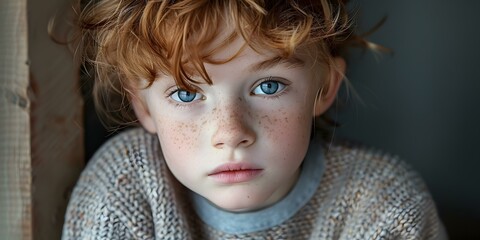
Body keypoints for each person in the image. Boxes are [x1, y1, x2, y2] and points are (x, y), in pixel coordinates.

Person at [62, 0, 447, 239]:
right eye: (186, 93)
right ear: (143, 107)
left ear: (325, 87)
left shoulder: (385, 206)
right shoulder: (124, 188)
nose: (231, 134)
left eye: (268, 87)